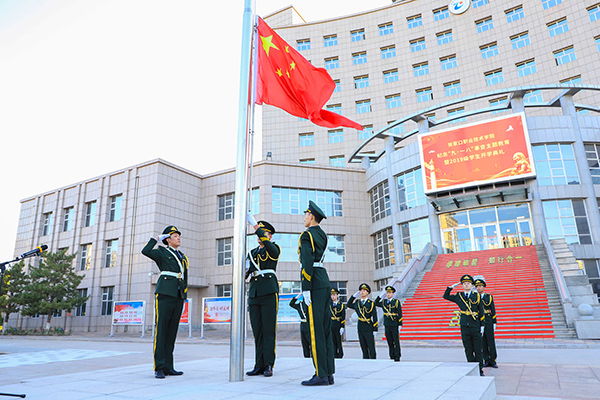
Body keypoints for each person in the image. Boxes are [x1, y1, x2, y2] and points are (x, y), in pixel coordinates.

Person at [141, 225, 188, 379]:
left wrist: (184, 294)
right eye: (175, 236)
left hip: (178, 294)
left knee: (172, 331)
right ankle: (159, 367)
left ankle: (169, 366)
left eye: (179, 236)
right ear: (167, 239)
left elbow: (184, 276)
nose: (178, 238)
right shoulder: (162, 252)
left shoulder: (182, 256)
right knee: (162, 330)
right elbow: (145, 251)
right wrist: (156, 239)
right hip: (165, 292)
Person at [298, 200, 335, 386]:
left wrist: (305, 288)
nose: (304, 218)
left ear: (311, 216)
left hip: (313, 282)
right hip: (323, 279)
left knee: (315, 330)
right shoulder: (322, 235)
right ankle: (329, 373)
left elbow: (306, 262)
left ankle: (320, 374)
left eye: (306, 214)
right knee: (325, 329)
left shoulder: (307, 235)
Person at [245, 215, 280, 378]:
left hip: (268, 292)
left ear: (270, 236)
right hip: (254, 292)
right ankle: (258, 364)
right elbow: (246, 273)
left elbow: (271, 250)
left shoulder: (274, 248)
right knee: (257, 331)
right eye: (260, 232)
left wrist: (255, 226)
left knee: (268, 330)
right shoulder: (252, 252)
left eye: (264, 233)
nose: (260, 235)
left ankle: (268, 364)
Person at [443, 274, 485, 376]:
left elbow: (481, 311)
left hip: (475, 325)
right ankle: (471, 368)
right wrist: (451, 287)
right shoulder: (459, 296)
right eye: (464, 283)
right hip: (464, 326)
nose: (466, 285)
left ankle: (480, 369)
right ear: (462, 285)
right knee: (468, 349)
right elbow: (446, 296)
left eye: (468, 283)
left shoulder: (477, 296)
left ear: (472, 285)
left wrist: (482, 326)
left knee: (478, 349)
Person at [347, 283, 378, 360]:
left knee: (371, 347)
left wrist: (375, 329)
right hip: (360, 326)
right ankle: (365, 361)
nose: (362, 292)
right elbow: (348, 304)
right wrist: (354, 296)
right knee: (363, 347)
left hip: (368, 326)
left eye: (364, 290)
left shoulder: (371, 303)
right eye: (361, 290)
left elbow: (375, 317)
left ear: (367, 292)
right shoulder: (357, 303)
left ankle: (373, 361)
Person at [474, 275, 498, 369]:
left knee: (490, 341)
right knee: (482, 342)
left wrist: (494, 322)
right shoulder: (475, 297)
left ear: (484, 287)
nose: (478, 288)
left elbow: (493, 310)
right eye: (477, 286)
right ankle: (486, 360)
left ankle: (493, 360)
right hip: (480, 321)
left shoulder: (489, 297)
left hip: (488, 320)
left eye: (480, 286)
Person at [374, 285, 403, 362]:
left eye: (390, 293)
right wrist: (380, 297)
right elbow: (375, 303)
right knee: (389, 341)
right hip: (387, 324)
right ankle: (391, 355)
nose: (388, 294)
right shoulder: (384, 302)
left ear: (393, 294)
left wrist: (400, 324)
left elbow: (400, 313)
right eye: (387, 293)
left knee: (396, 341)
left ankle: (397, 356)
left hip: (394, 324)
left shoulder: (396, 302)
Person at [289, 293, 311, 358]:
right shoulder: (300, 305)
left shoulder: (311, 304)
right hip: (303, 325)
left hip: (310, 325)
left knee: (311, 343)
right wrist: (296, 298)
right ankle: (306, 358)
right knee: (304, 343)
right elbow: (291, 304)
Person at [329, 287, 346, 359]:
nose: (332, 296)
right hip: (331, 325)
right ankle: (334, 354)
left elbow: (343, 317)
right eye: (331, 295)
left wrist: (342, 326)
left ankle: (340, 354)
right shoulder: (329, 305)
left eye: (334, 295)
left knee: (338, 341)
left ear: (337, 295)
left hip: (338, 324)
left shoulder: (341, 305)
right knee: (332, 341)